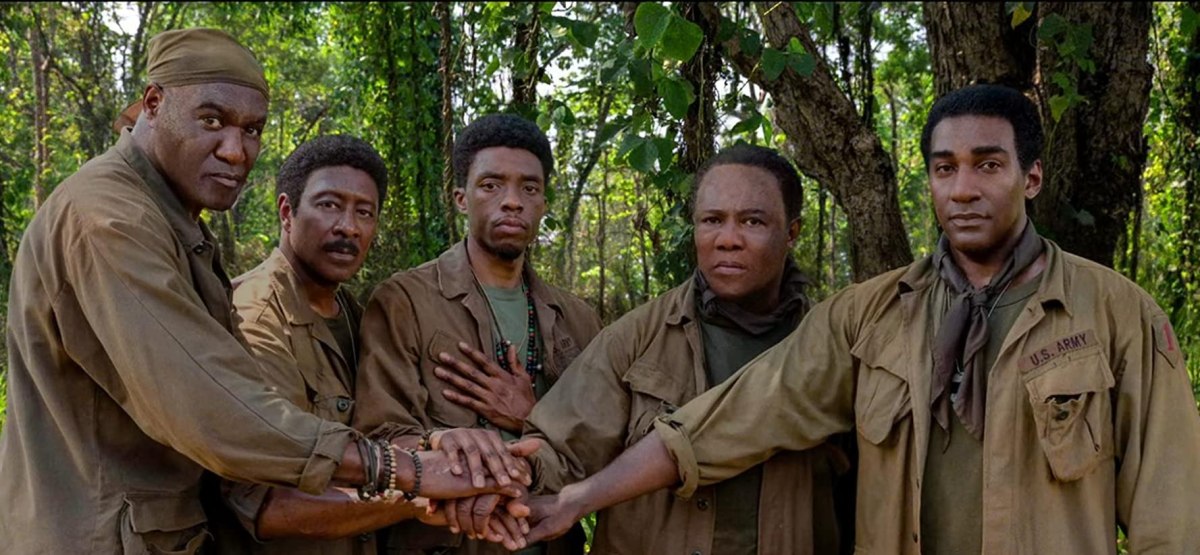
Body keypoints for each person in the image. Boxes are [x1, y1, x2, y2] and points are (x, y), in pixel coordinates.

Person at [518, 84, 1200, 553]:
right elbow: (724, 422)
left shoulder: (1116, 316)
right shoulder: (871, 316)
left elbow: (1171, 513)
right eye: (945, 168)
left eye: (988, 165)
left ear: (1032, 177)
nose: (964, 188)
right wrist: (580, 497)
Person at [0, 28, 526, 554]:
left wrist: (444, 451)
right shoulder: (109, 220)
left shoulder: (172, 221)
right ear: (154, 104)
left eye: (252, 130)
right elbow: (212, 410)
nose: (235, 152)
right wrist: (407, 472)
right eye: (211, 120)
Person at [511, 144, 853, 555]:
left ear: (792, 232)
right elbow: (559, 449)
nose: (728, 240)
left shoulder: (831, 350)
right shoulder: (638, 340)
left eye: (753, 221)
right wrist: (501, 474)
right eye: (712, 220)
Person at [352, 113, 602, 554]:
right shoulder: (405, 301)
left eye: (529, 188)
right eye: (491, 185)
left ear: (544, 203)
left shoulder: (577, 319)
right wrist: (443, 447)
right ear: (461, 198)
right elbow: (378, 438)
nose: (513, 202)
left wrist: (532, 415)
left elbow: (603, 447)